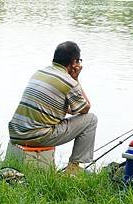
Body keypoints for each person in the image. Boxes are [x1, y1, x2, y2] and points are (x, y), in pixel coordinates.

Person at [8, 41, 97, 174]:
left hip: (15, 133)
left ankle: (72, 168)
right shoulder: (69, 82)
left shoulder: (39, 73)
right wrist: (76, 79)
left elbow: (55, 105)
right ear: (74, 62)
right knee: (91, 120)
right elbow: (85, 109)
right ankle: (73, 169)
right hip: (36, 137)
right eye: (78, 61)